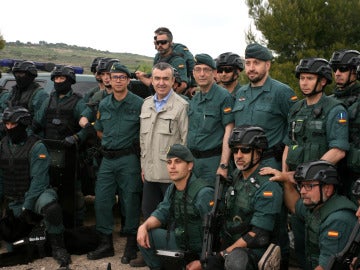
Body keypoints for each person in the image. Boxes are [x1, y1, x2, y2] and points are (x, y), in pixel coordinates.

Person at [283, 57, 349, 268]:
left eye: (310, 78)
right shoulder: (296, 109)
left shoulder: (334, 109)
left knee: (323, 245)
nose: (304, 83)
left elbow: (338, 151)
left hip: (321, 189)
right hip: (296, 187)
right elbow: (288, 144)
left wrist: (309, 175)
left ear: (322, 81)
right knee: (300, 242)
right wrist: (286, 175)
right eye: (302, 78)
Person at [131, 62, 189, 268]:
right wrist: (143, 166)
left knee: (172, 220)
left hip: (171, 177)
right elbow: (143, 140)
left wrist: (182, 175)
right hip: (150, 174)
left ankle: (171, 258)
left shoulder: (182, 106)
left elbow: (185, 142)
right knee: (148, 214)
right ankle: (149, 253)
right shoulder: (146, 104)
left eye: (166, 78)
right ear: (152, 80)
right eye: (157, 78)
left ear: (173, 81)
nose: (161, 83)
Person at [0, 106, 71, 267]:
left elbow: (39, 182)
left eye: (13, 124)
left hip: (36, 194)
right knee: (14, 246)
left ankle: (58, 247)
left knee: (51, 209)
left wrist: (27, 207)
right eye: (7, 124)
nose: (9, 128)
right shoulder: (3, 145)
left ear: (23, 125)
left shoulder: (36, 146)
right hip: (13, 197)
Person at [204, 126, 284, 270]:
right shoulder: (236, 177)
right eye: (235, 150)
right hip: (232, 243)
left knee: (236, 261)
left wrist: (223, 254)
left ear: (258, 153)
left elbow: (258, 235)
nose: (238, 155)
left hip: (256, 250)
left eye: (245, 150)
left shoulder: (268, 186)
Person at [87, 63, 143, 264]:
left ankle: (131, 244)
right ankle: (105, 244)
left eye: (122, 77)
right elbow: (99, 130)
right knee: (102, 200)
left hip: (129, 159)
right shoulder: (104, 104)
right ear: (108, 79)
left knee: (130, 200)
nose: (118, 80)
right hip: (108, 159)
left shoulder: (138, 104)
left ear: (128, 80)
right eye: (115, 76)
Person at [260, 160, 357, 269]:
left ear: (328, 189)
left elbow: (325, 267)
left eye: (309, 186)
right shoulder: (318, 204)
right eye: (301, 186)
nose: (302, 191)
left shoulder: (338, 220)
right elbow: (295, 206)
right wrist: (286, 181)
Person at [136, 144, 214, 270]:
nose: (172, 166)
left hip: (203, 251)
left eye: (178, 162)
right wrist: (144, 226)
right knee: (146, 235)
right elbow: (162, 213)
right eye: (169, 162)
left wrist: (203, 262)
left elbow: (215, 235)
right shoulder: (172, 189)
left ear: (190, 165)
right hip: (181, 242)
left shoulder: (203, 193)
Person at [33, 65, 89, 228]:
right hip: (48, 152)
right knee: (47, 190)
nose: (58, 81)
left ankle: (76, 226)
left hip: (70, 154)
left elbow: (87, 127)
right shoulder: (48, 100)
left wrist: (76, 137)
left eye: (61, 79)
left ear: (70, 81)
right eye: (56, 79)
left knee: (74, 194)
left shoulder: (78, 101)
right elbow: (36, 123)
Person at [232, 43, 297, 169]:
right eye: (248, 63)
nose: (251, 68)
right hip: (243, 163)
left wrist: (284, 151)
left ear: (267, 65)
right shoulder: (240, 93)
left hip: (269, 162)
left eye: (256, 63)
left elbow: (295, 126)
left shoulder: (281, 92)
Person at [187, 53, 234, 183]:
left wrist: (223, 165)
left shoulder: (223, 97)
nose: (201, 74)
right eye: (198, 70)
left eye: (206, 70)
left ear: (214, 73)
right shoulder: (195, 99)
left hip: (213, 162)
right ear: (193, 73)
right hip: (194, 162)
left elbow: (229, 131)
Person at [135, 27, 189, 94]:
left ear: (171, 43)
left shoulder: (177, 60)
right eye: (157, 43)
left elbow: (183, 85)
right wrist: (145, 75)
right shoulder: (158, 58)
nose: (160, 45)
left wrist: (169, 99)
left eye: (163, 42)